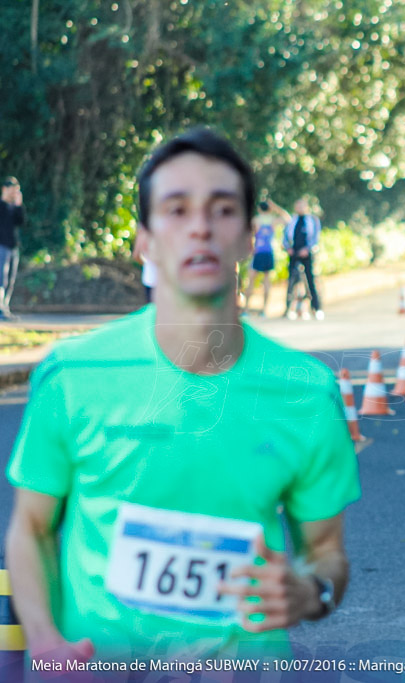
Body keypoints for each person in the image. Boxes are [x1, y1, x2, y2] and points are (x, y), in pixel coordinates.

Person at [4, 129, 361, 664]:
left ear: (248, 237)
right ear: (144, 241)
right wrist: (47, 644)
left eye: (222, 210)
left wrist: (311, 592)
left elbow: (326, 552)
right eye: (177, 210)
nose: (200, 227)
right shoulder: (73, 373)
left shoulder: (306, 391)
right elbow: (31, 528)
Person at [243, 199, 288, 316]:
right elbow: (287, 218)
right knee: (266, 281)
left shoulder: (256, 220)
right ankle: (264, 310)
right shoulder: (273, 220)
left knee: (251, 281)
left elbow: (247, 233)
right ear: (269, 208)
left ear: (259, 209)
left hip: (258, 252)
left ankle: (246, 309)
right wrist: (275, 207)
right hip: (269, 252)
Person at [283, 197, 324, 320]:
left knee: (310, 280)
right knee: (291, 281)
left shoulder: (313, 220)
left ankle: (316, 308)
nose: (300, 208)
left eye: (302, 206)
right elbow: (285, 236)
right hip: (293, 253)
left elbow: (316, 237)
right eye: (298, 206)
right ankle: (289, 308)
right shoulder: (292, 220)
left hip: (307, 254)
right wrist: (288, 248)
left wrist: (307, 249)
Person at [0, 176, 25, 319]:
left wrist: (18, 205)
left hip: (13, 247)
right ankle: (0, 310)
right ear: (5, 189)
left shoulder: (15, 207)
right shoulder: (1, 206)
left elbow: (21, 222)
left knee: (10, 280)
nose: (13, 193)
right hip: (1, 246)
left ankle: (5, 308)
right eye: (11, 190)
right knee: (0, 278)